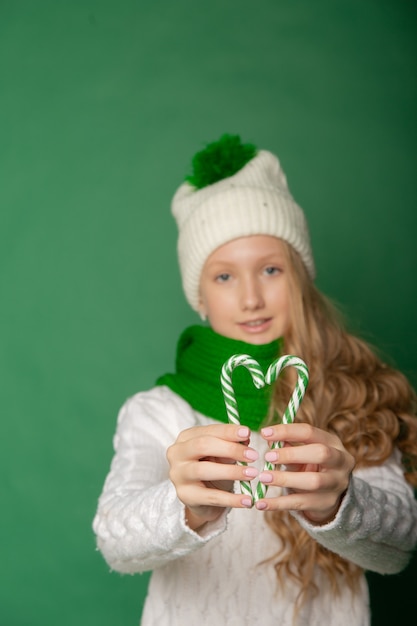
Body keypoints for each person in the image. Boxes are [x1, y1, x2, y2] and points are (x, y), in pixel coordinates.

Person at [93, 134, 417, 625]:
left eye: (270, 269)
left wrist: (339, 501)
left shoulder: (353, 391)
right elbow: (116, 541)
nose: (250, 299)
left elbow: (399, 545)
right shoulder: (160, 412)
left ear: (301, 277)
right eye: (224, 276)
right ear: (198, 294)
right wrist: (185, 503)